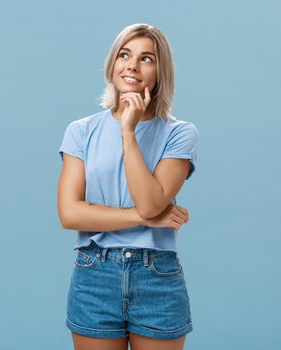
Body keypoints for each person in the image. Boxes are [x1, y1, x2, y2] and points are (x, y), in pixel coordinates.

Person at [57, 23, 199, 350]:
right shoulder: (80, 131)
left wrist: (127, 132)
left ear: (160, 72)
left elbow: (151, 203)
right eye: (125, 55)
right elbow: (70, 214)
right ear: (113, 64)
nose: (132, 65)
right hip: (94, 273)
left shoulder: (180, 133)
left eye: (146, 58)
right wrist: (144, 218)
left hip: (156, 276)